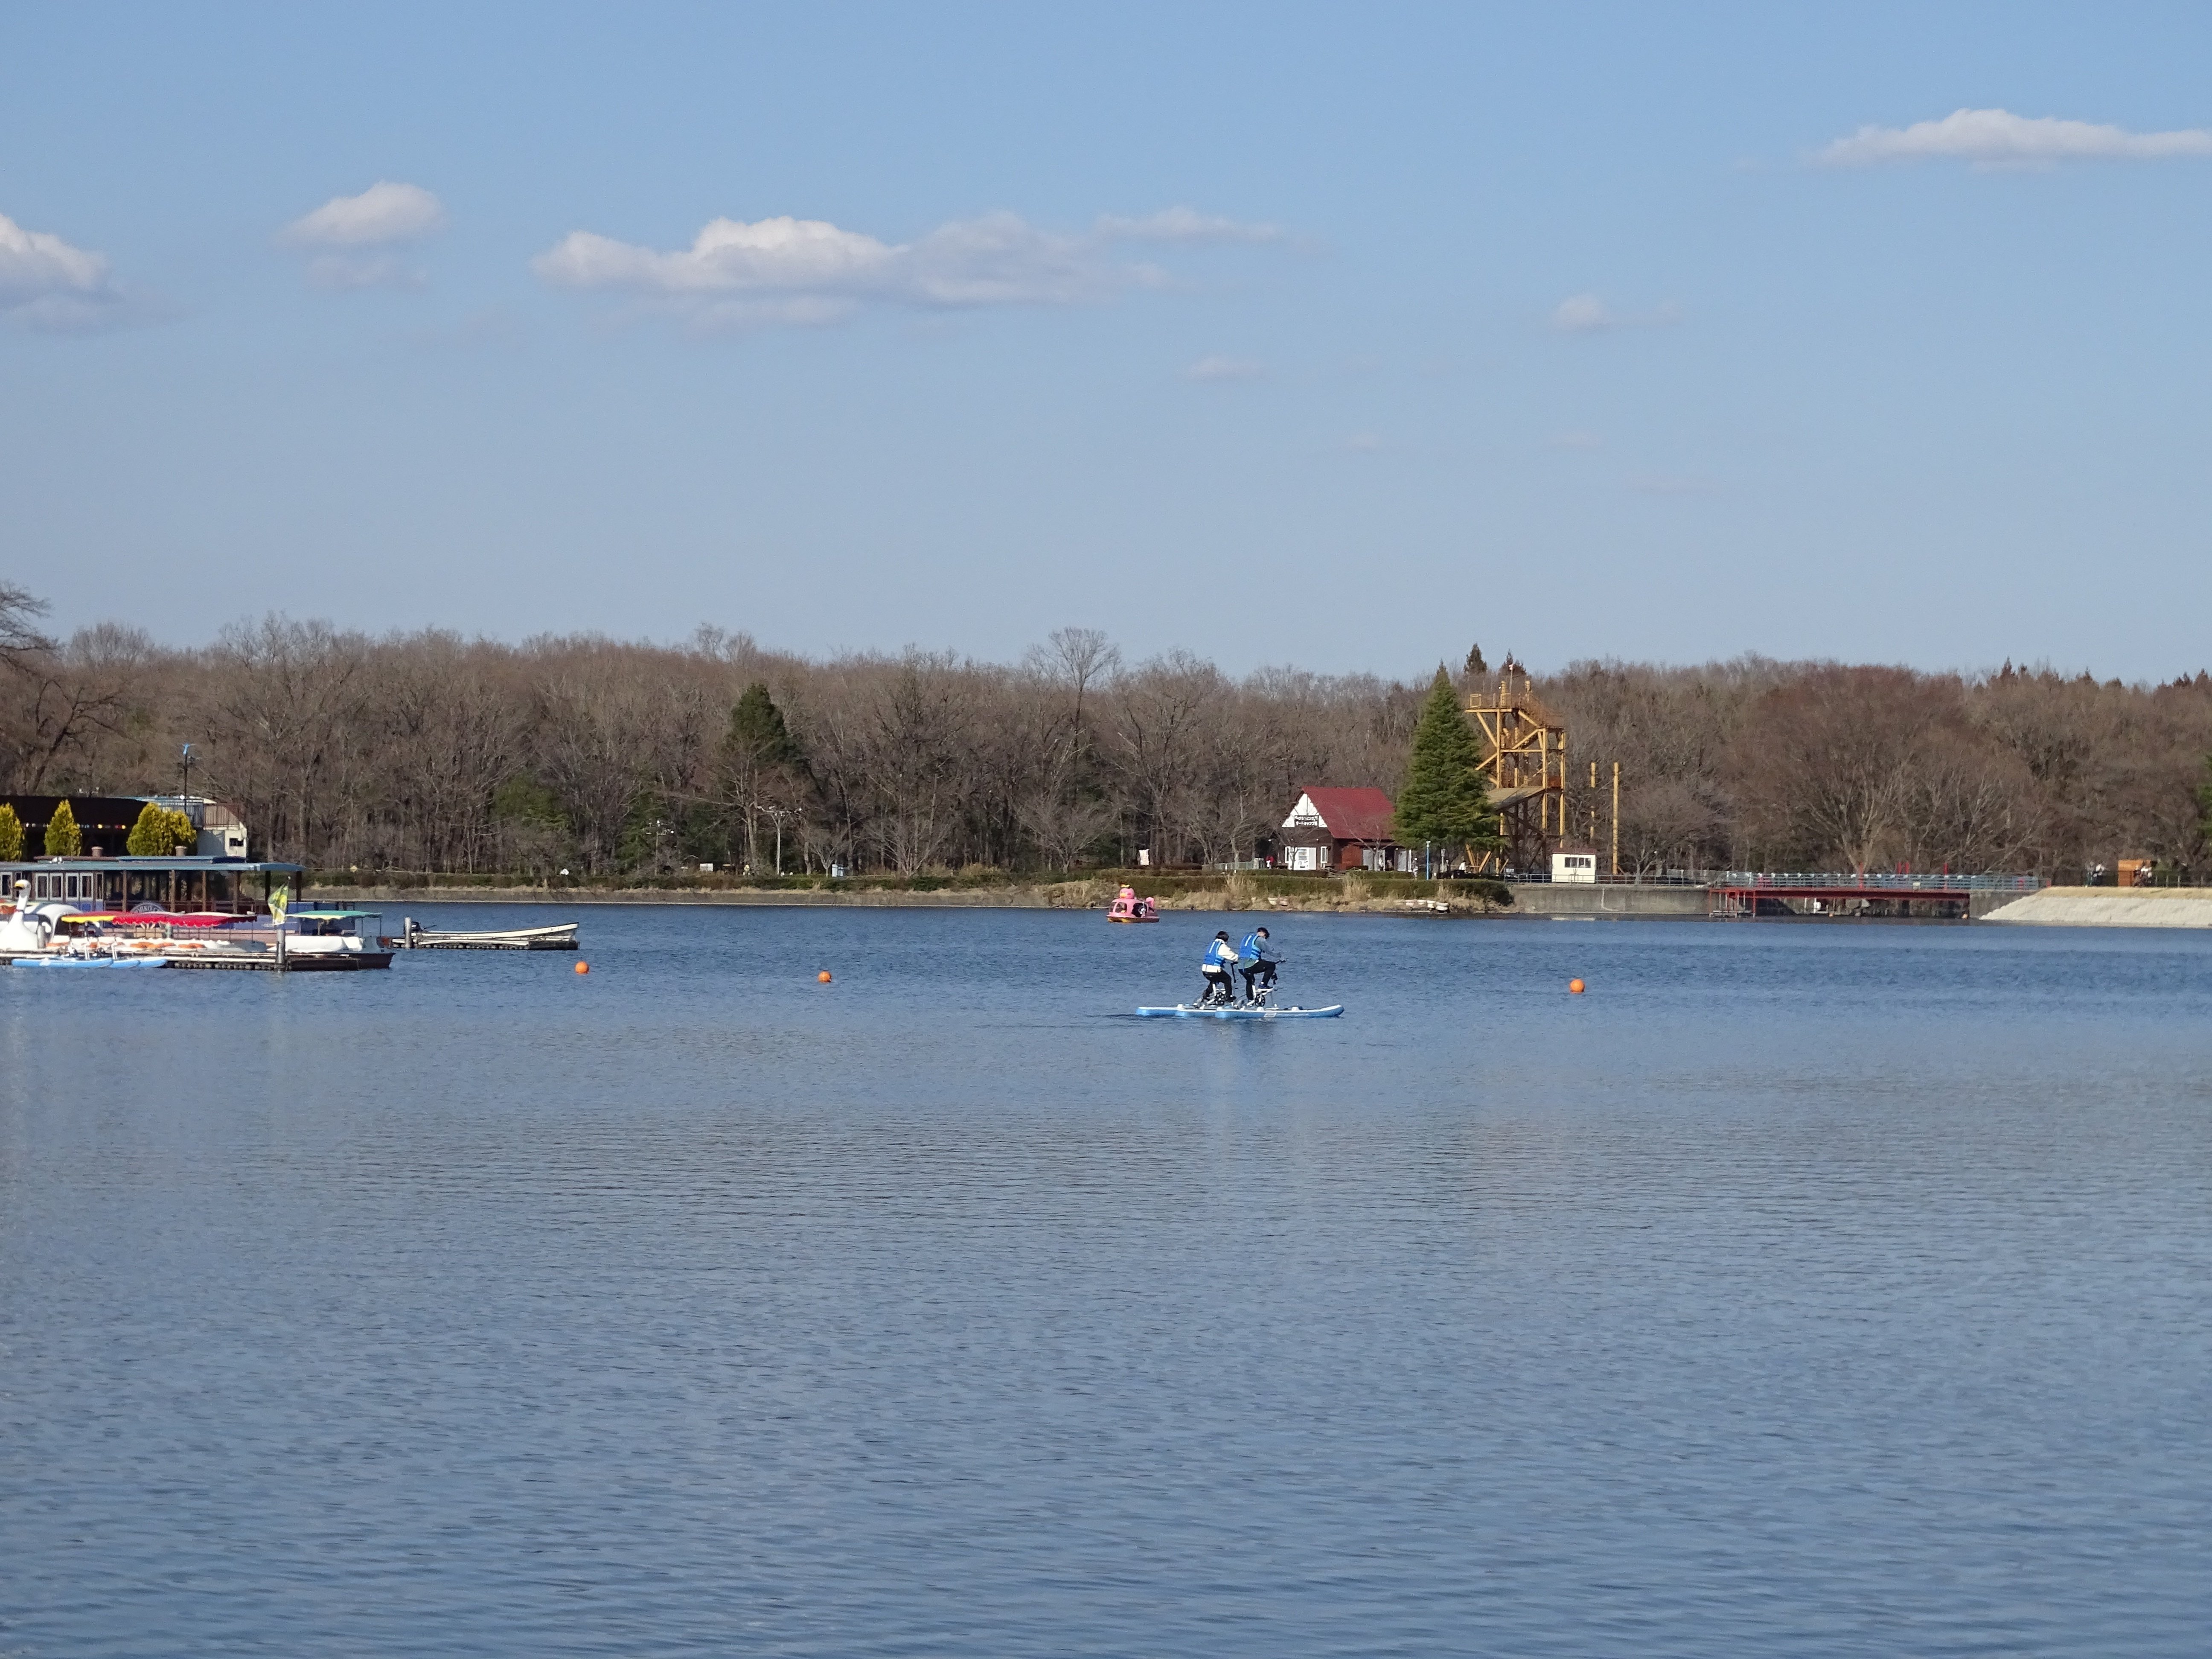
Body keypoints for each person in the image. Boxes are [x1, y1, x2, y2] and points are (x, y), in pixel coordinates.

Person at [1237, 926, 1279, 1004]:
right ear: (1264, 935)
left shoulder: (1247, 939)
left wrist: (1272, 973)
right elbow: (1270, 951)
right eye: (1265, 938)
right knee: (1271, 966)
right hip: (1250, 965)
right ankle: (1263, 985)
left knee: (1250, 980)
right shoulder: (1260, 940)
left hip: (1241, 967)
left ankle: (1250, 1000)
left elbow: (1259, 960)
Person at [1199, 930, 1238, 1006]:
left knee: (1215, 980)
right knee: (1228, 979)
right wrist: (1240, 960)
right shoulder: (1222, 946)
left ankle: (1207, 994)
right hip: (1214, 970)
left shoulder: (1212, 945)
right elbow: (1233, 957)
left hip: (1205, 970)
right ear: (1226, 940)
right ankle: (1228, 997)